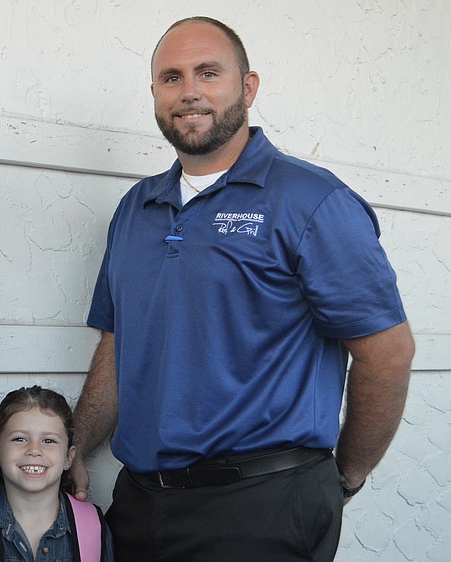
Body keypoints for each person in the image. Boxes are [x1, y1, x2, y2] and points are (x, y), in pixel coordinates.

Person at [69, 16, 416, 562]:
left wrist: (344, 478)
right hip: (139, 505)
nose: (190, 92)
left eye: (209, 73)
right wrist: (75, 444)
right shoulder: (136, 208)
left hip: (262, 508)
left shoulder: (312, 201)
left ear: (248, 87)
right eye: (172, 77)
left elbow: (388, 353)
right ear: (155, 93)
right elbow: (119, 343)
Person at [0, 386, 114, 562]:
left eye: (49, 440)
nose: (34, 450)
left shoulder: (93, 523)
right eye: (19, 439)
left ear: (69, 457)